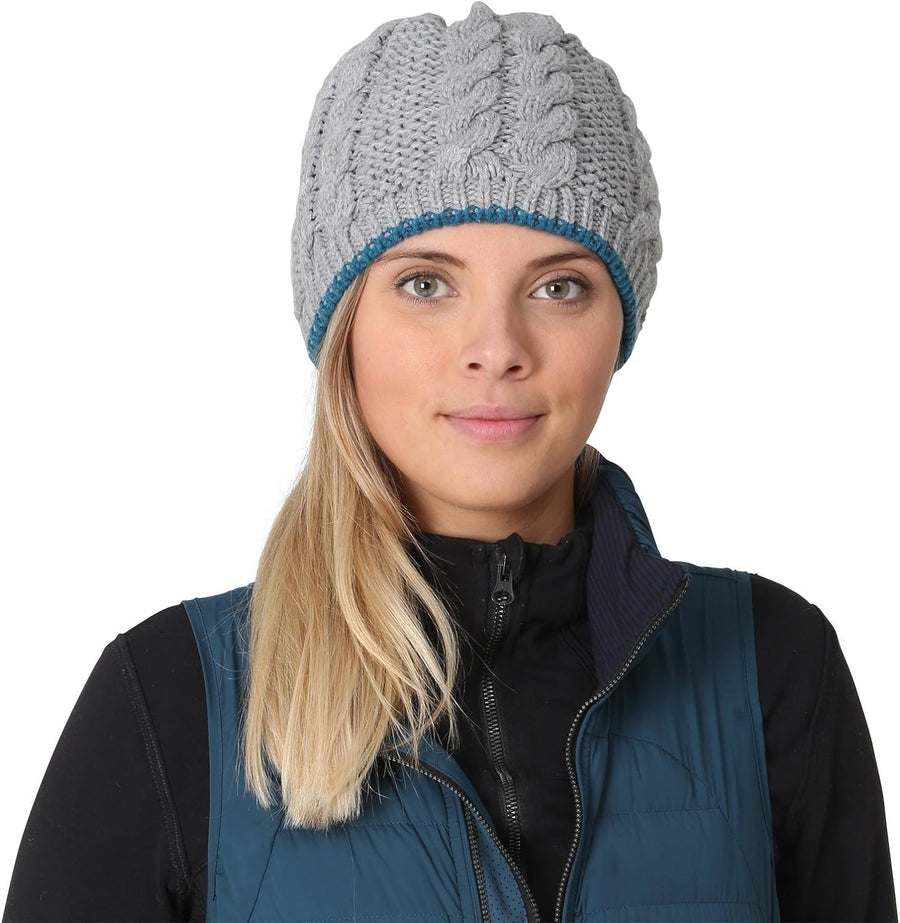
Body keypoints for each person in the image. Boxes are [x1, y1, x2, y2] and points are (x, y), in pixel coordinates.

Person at [4, 3, 896, 921]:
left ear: (619, 324)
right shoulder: (168, 699)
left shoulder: (771, 667)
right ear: (343, 324)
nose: (496, 348)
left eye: (559, 286)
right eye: (426, 283)